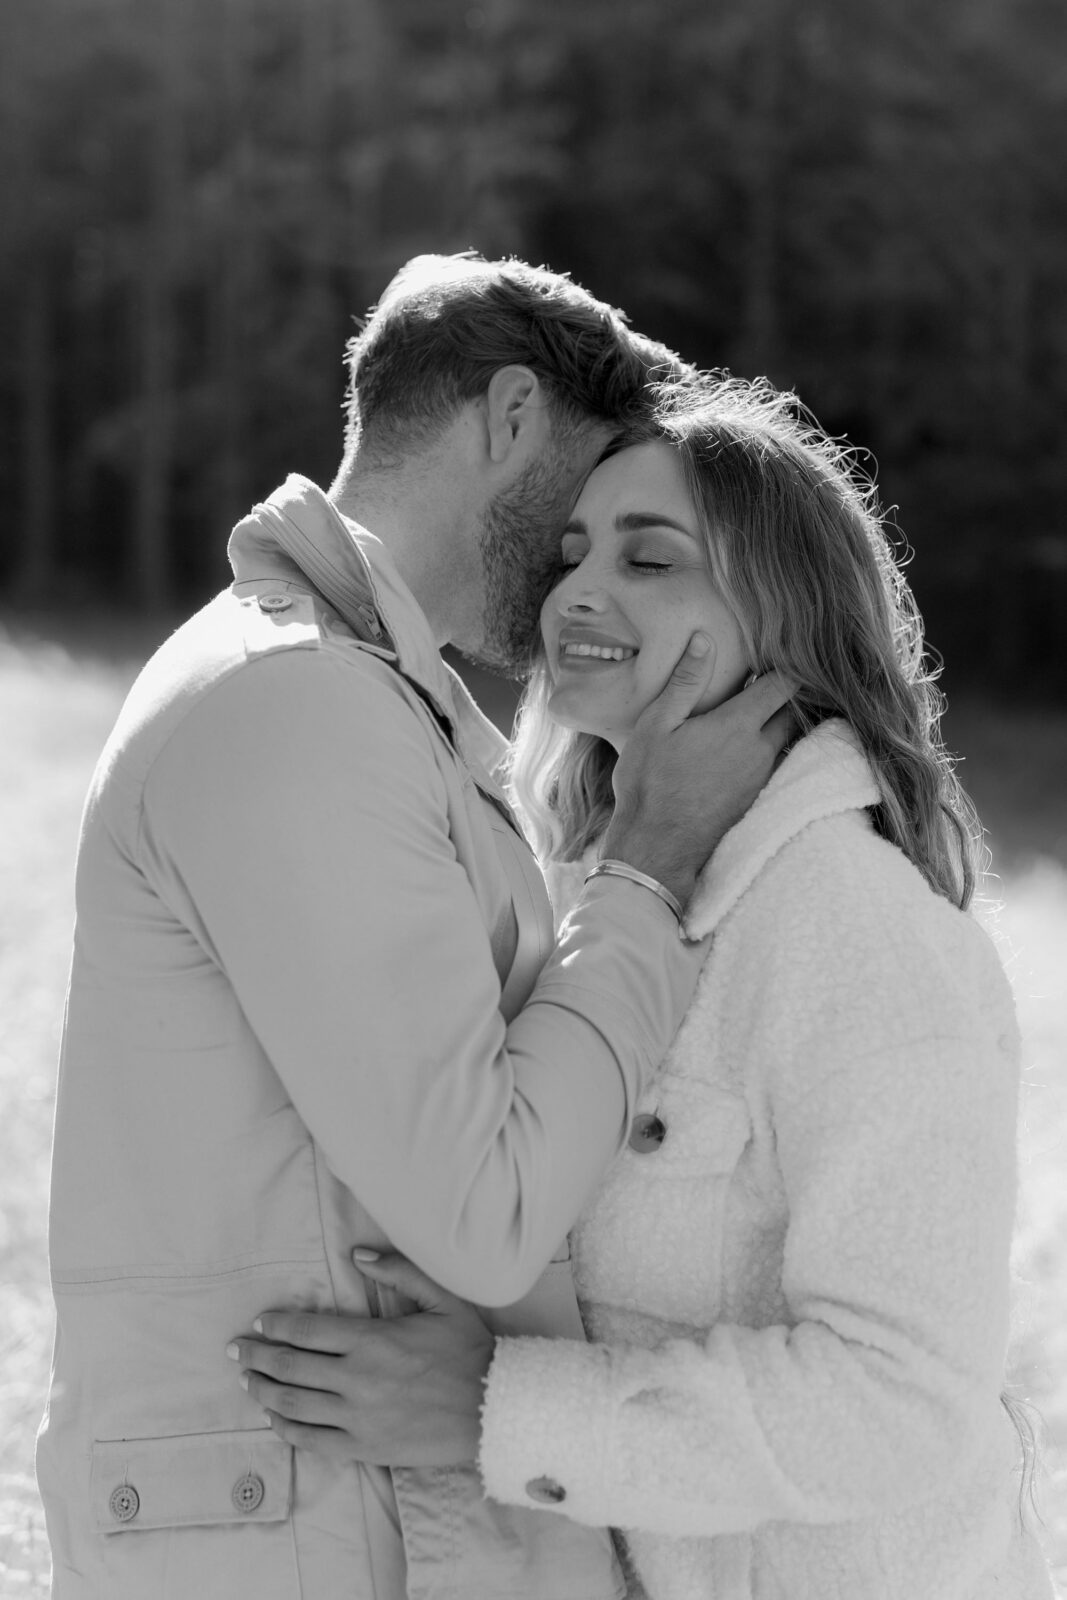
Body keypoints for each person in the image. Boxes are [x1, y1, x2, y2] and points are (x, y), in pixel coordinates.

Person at [36, 255, 794, 1600]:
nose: (587, 576)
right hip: (298, 1538)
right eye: (588, 500)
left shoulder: (384, 709)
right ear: (509, 416)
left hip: (347, 1517)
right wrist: (650, 867)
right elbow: (484, 1209)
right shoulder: (296, 705)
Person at [228, 378, 1056, 1599]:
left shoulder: (862, 933)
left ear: (780, 611)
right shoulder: (587, 897)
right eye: (572, 552)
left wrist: (495, 1412)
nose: (576, 592)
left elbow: (902, 1398)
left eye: (649, 556)